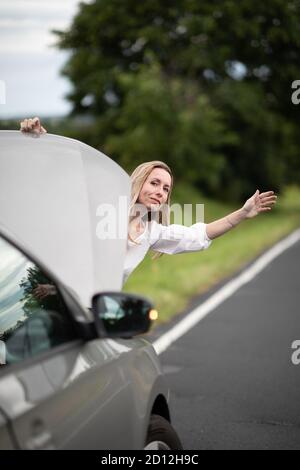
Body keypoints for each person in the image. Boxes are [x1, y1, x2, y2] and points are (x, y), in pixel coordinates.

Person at [20, 118, 277, 285]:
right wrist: (40, 142)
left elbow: (200, 235)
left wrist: (242, 213)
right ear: (138, 182)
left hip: (89, 310)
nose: (160, 192)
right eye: (154, 183)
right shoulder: (103, 209)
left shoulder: (152, 232)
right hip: (46, 291)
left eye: (166, 189)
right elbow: (64, 184)